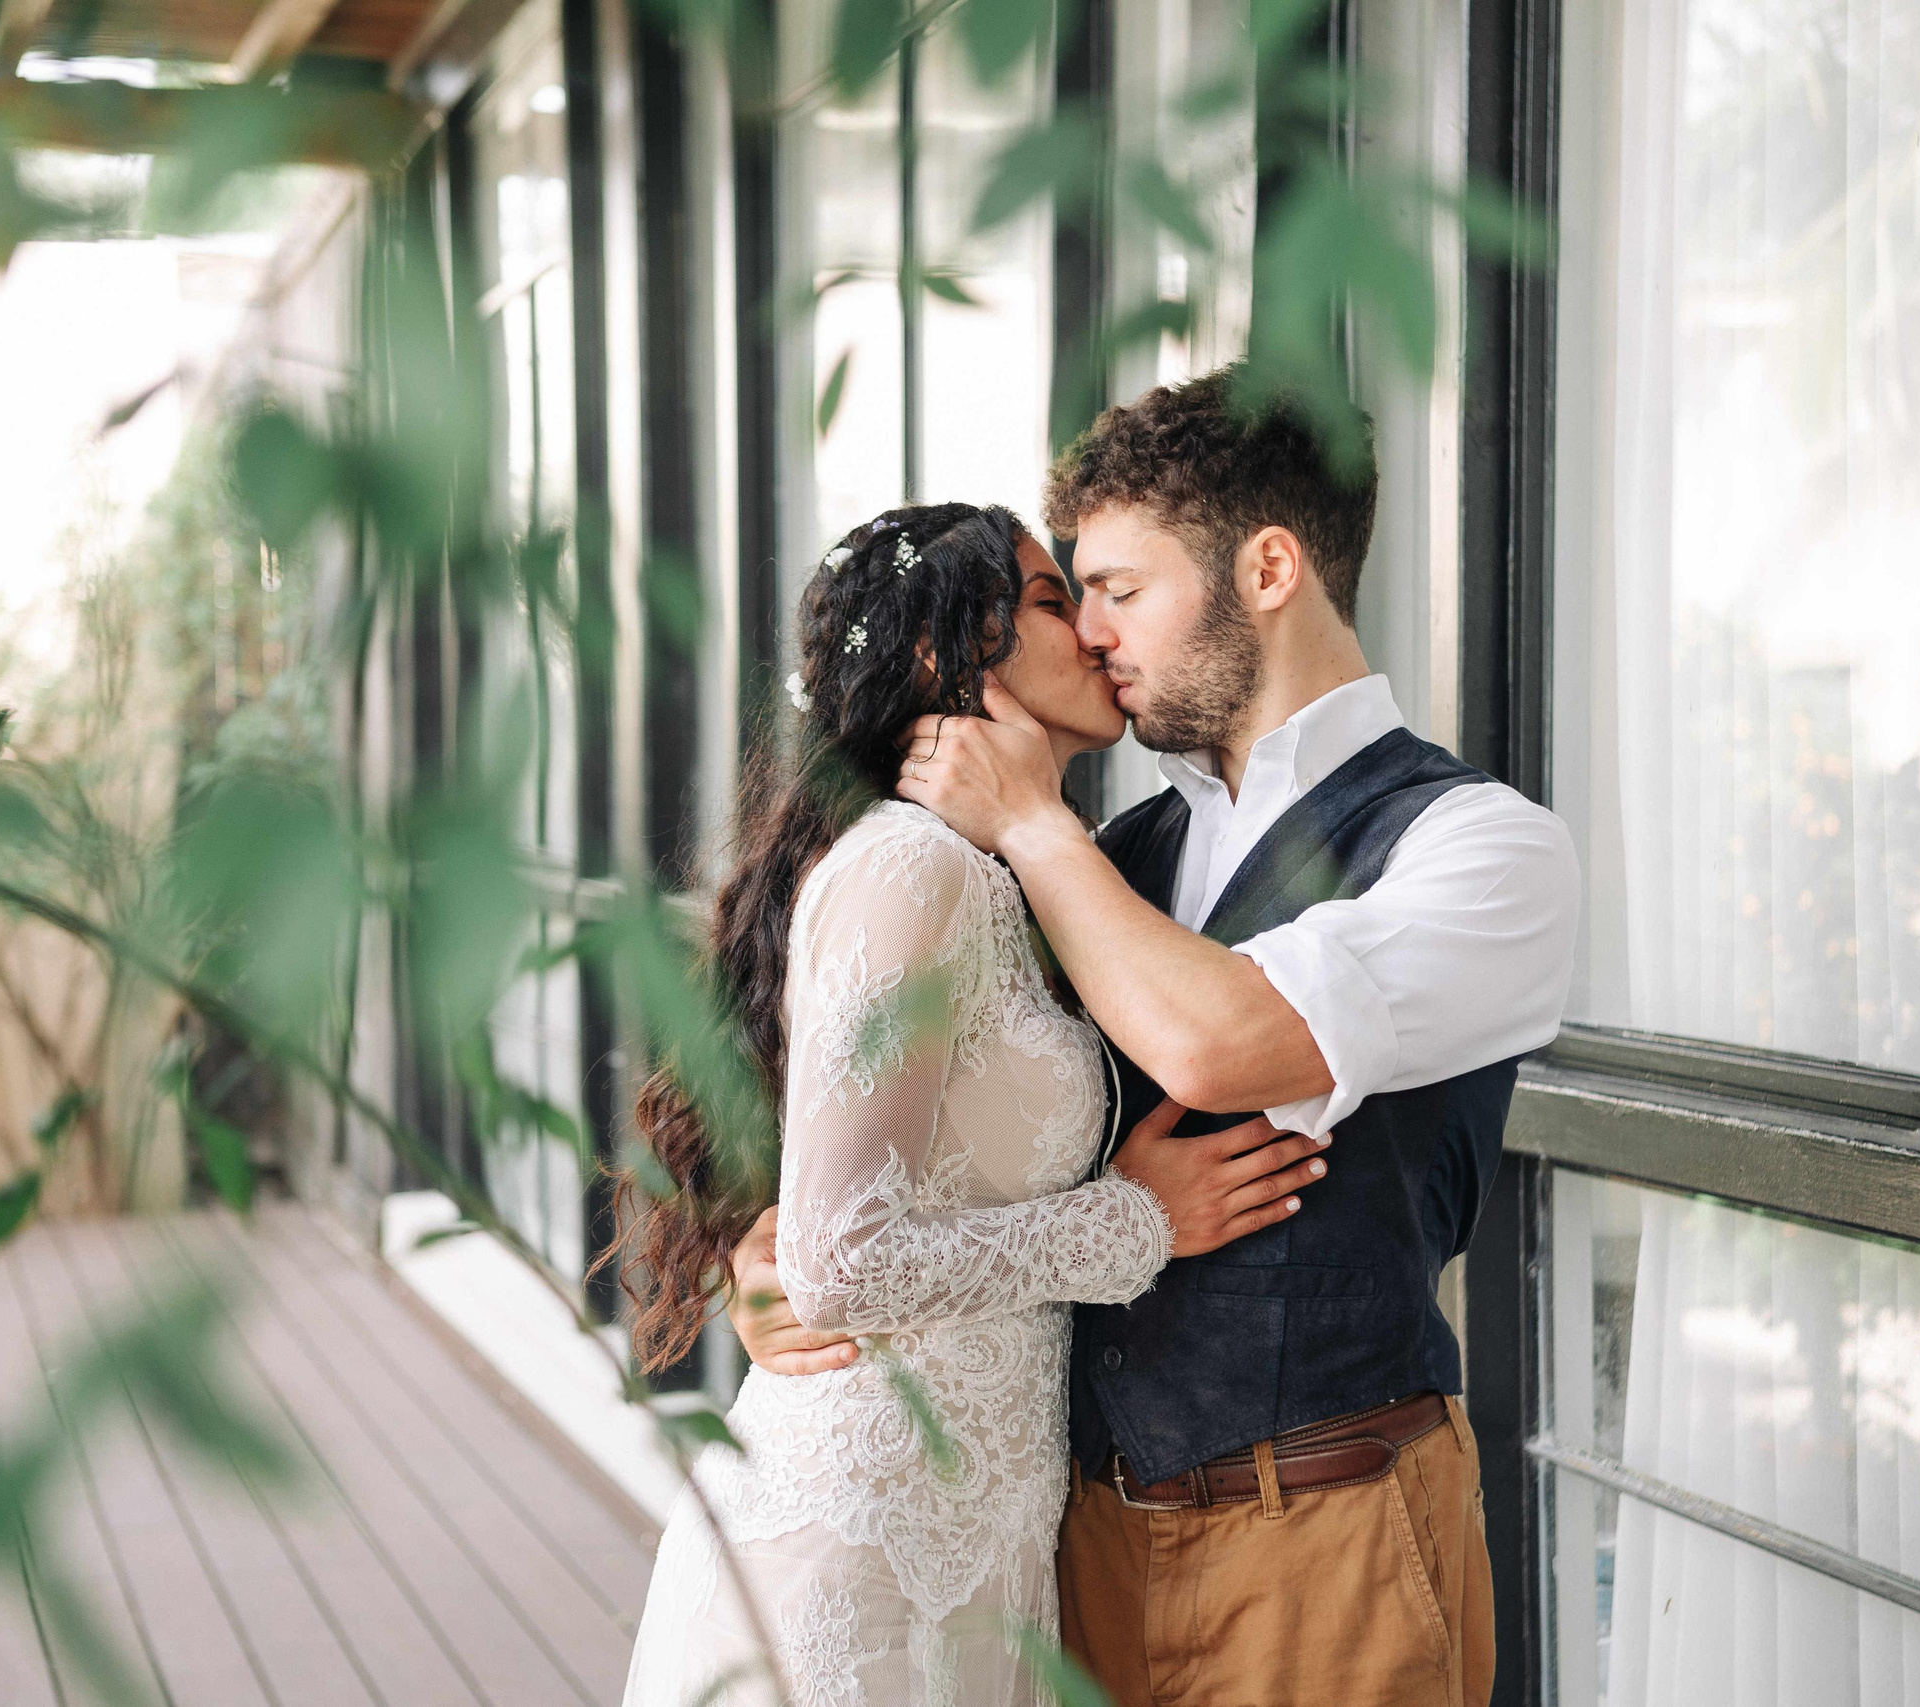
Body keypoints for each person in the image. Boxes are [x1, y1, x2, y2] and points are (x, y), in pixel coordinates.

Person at [732, 369, 1580, 1706]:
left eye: (1119, 589)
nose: (1098, 631)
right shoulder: (1113, 859)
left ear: (1268, 566)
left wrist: (1032, 824)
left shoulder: (1480, 847)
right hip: (1071, 1542)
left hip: (1327, 1534)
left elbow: (1223, 1042)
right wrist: (781, 1257)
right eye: (1070, 595)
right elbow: (945, 1141)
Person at [614, 501, 1329, 1707]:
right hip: (866, 1539)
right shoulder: (908, 867)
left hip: (982, 1537)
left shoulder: (1013, 869)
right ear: (952, 655)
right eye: (1056, 602)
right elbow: (838, 1261)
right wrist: (1134, 1220)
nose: (1096, 632)